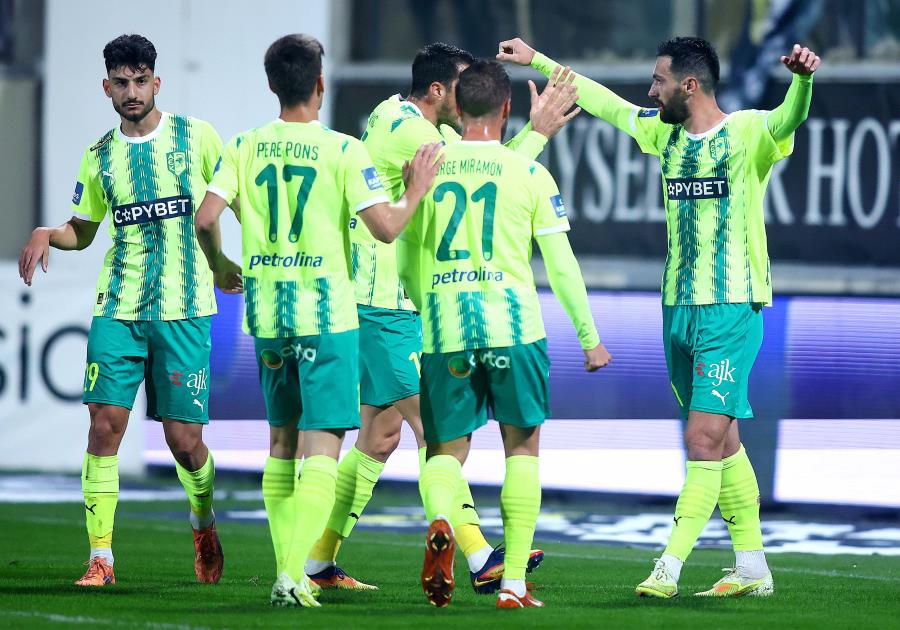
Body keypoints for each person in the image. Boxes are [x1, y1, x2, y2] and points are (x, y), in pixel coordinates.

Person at [497, 35, 820, 598]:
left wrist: (802, 80)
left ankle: (668, 567)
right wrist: (539, 60)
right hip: (676, 308)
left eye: (659, 81)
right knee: (723, 440)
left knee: (701, 438)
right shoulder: (663, 133)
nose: (650, 91)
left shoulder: (747, 133)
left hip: (731, 307)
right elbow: (604, 103)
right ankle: (752, 568)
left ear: (689, 86)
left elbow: (790, 117)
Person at [306, 41, 581, 594]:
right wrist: (538, 132)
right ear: (436, 91)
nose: (466, 98)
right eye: (460, 88)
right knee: (436, 433)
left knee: (380, 436)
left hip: (388, 302)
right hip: (384, 305)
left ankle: (317, 558)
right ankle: (479, 556)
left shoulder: (400, 116)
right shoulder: (413, 132)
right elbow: (486, 174)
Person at [193, 33, 442, 608]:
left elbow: (205, 218)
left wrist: (220, 263)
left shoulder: (245, 145)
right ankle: (291, 574)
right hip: (328, 314)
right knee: (323, 447)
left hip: (267, 313)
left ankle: (293, 570)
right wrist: (414, 191)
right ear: (321, 84)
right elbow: (386, 229)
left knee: (281, 445)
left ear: (271, 84)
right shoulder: (342, 150)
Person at [397, 59, 612, 609]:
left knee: (445, 452)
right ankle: (513, 582)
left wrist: (426, 303)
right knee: (522, 449)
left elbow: (405, 255)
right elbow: (561, 266)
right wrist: (589, 337)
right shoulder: (529, 173)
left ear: (456, 106)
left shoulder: (426, 168)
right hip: (515, 331)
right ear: (508, 109)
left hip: (446, 331)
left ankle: (442, 519)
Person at [18, 33, 226, 587]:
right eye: (120, 82)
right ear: (105, 87)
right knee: (104, 426)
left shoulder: (197, 137)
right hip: (118, 307)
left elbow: (234, 201)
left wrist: (240, 262)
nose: (131, 92)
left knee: (185, 443)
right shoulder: (99, 156)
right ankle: (101, 558)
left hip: (185, 309)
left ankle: (203, 521)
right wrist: (47, 232)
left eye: (139, 81)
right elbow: (83, 232)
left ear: (156, 82)